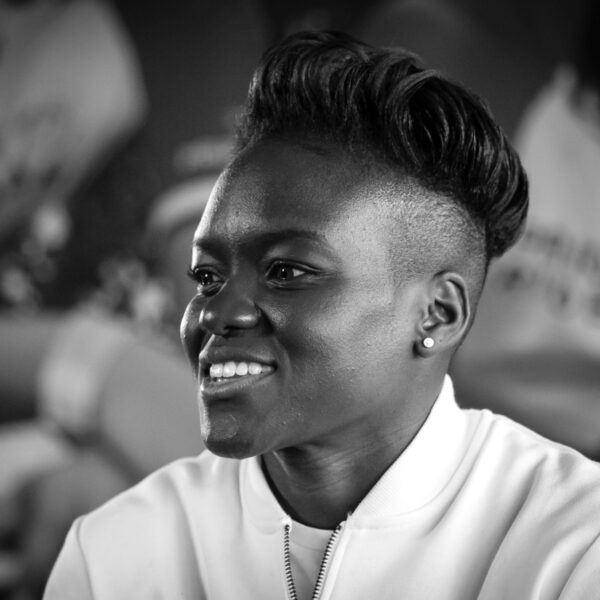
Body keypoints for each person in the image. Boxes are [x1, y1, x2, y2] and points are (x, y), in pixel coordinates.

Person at [44, 31, 600, 599]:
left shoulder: (576, 546)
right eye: (208, 277)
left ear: (436, 314)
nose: (217, 313)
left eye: (287, 272)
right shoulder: (115, 553)